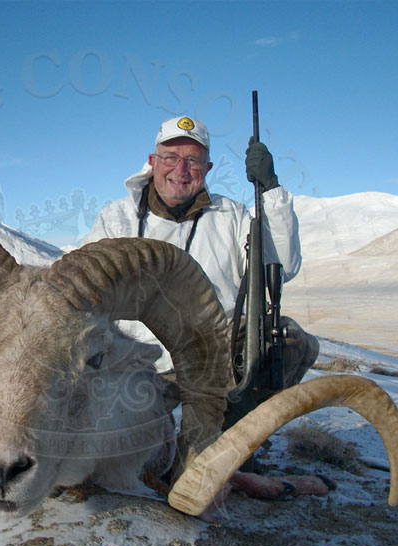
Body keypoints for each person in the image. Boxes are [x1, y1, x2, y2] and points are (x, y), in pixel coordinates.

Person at [82, 116, 319, 467]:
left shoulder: (231, 216)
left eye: (192, 160)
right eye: (170, 157)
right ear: (152, 161)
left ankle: (232, 442)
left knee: (288, 339)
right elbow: (84, 291)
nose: (181, 169)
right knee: (140, 448)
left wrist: (271, 191)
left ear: (207, 168)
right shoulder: (117, 220)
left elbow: (282, 266)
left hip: (212, 358)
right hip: (139, 364)